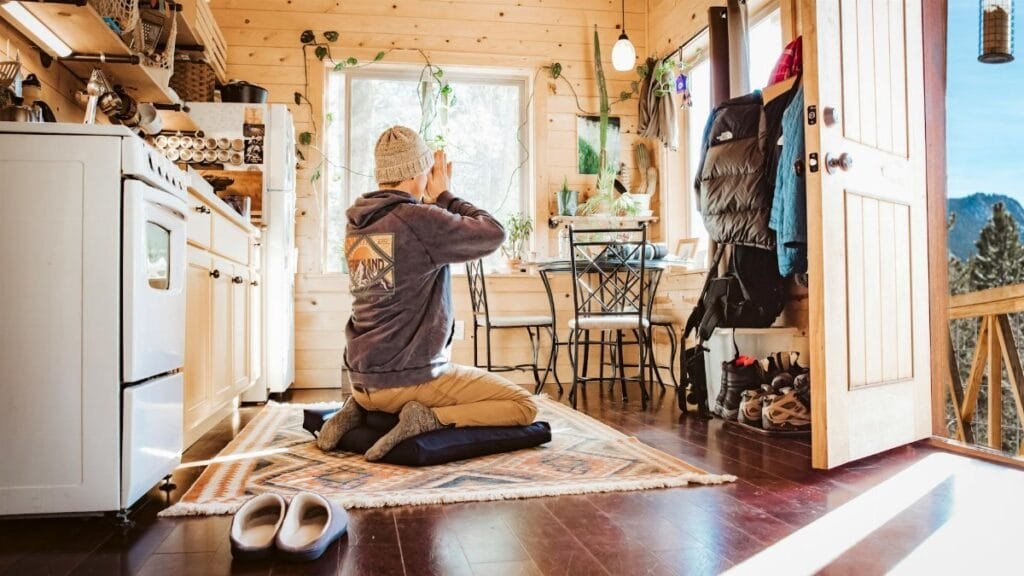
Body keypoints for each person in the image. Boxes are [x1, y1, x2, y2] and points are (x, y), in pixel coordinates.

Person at [317, 125, 538, 461]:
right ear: (418, 171)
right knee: (523, 405)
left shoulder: (359, 222)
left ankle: (358, 411)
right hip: (406, 379)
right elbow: (493, 233)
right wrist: (446, 196)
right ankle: (429, 419)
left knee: (387, 389)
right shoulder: (418, 219)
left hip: (362, 380)